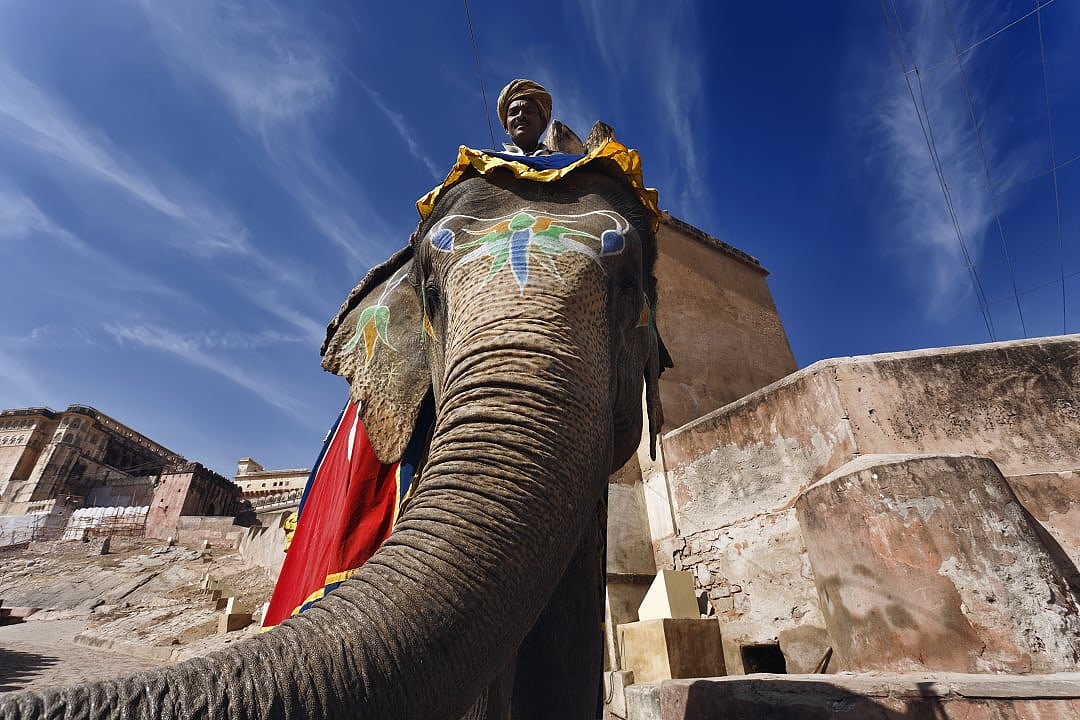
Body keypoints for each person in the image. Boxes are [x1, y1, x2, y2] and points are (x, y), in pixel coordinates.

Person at [496, 78, 554, 156]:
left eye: (529, 111)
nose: (520, 115)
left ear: (543, 124)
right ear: (506, 127)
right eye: (514, 112)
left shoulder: (566, 164)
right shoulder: (488, 163)